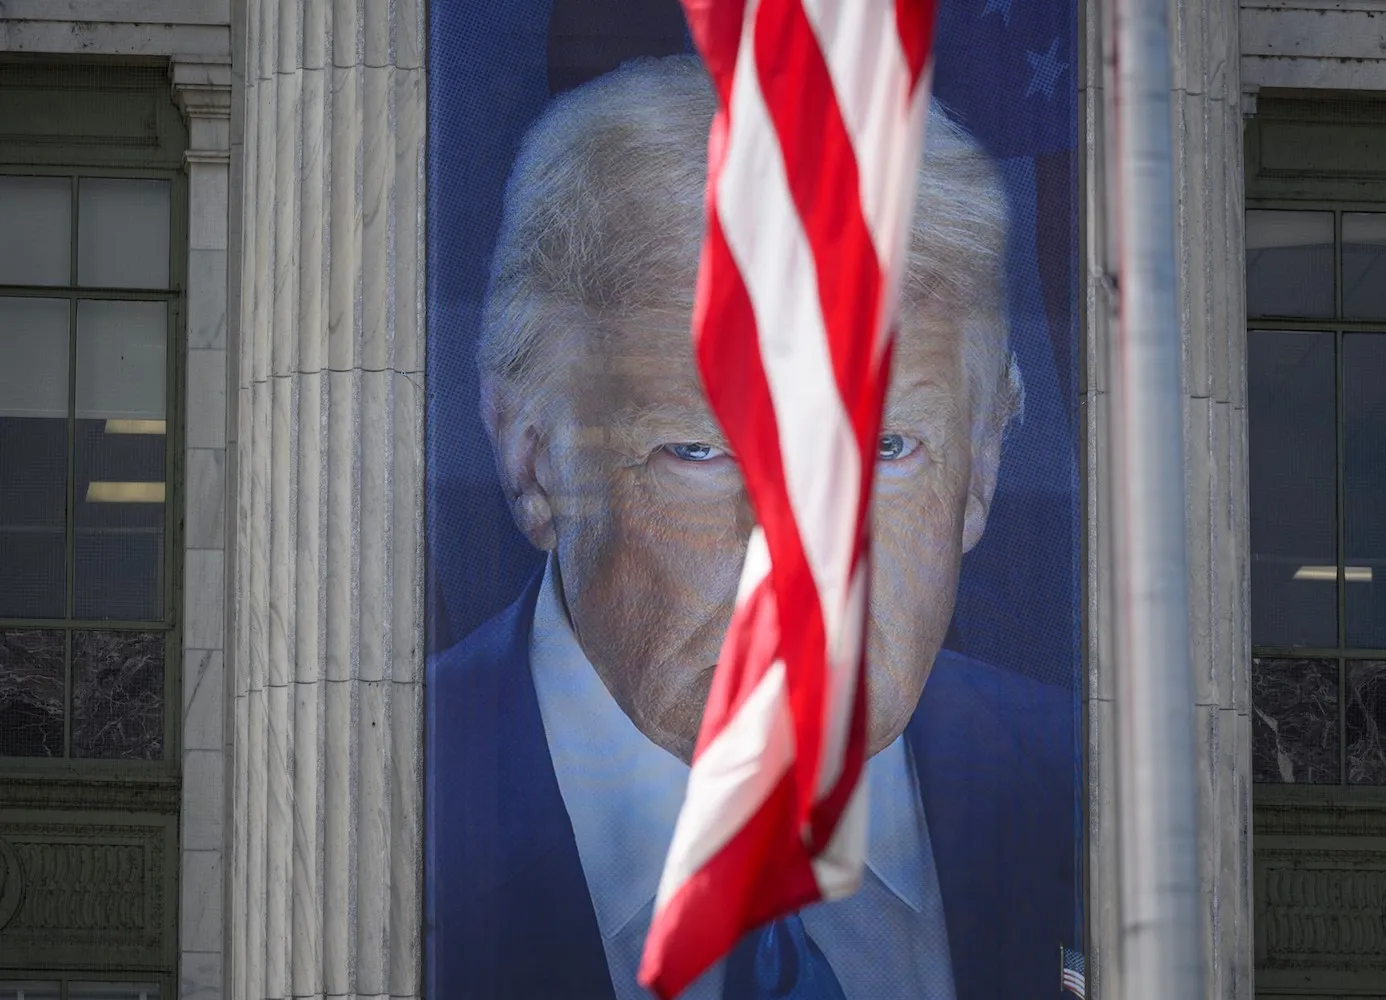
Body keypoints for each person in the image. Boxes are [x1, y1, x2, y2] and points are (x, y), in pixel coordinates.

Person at [427, 55, 1075, 1000]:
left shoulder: (1100, 798)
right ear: (532, 459)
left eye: (885, 447)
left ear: (980, 471)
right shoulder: (363, 789)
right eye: (703, 451)